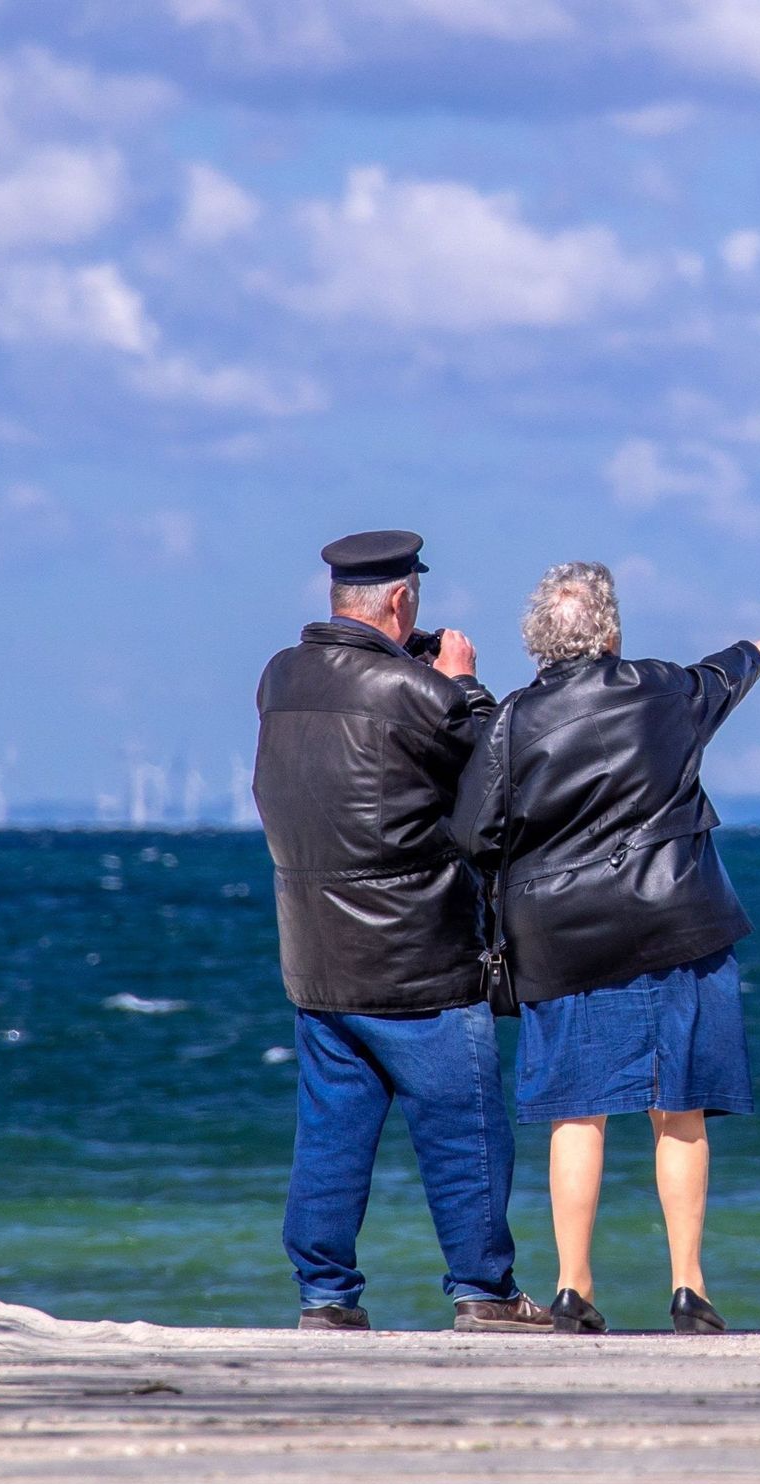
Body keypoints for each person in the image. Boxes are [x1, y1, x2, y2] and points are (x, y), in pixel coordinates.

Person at [452, 562, 760, 1335]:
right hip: (680, 923)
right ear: (609, 632)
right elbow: (720, 678)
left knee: (579, 1113)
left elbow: (474, 833)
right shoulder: (662, 688)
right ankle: (688, 1287)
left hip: (562, 940)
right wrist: (758, 650)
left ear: (540, 639)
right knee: (681, 1111)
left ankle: (572, 1287)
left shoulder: (512, 721)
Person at [253, 529, 551, 1333]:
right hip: (417, 954)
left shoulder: (280, 677)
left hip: (317, 955)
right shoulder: (416, 693)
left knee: (331, 1138)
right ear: (400, 599)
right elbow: (499, 763)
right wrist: (462, 682)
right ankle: (484, 1292)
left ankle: (325, 1296)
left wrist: (418, 674)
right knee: (466, 1133)